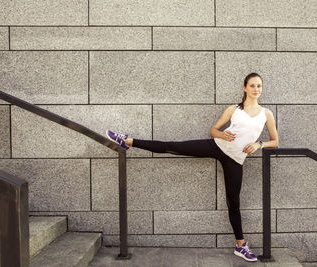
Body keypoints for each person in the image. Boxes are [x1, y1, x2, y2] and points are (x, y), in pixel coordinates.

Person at [106, 73, 279, 262]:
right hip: (216, 146)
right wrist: (221, 135)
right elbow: (213, 130)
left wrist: (259, 145)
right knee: (173, 146)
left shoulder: (266, 114)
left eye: (259, 86)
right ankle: (127, 141)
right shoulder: (233, 109)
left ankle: (240, 246)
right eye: (252, 86)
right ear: (245, 88)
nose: (256, 89)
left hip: (236, 160)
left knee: (234, 202)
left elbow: (275, 141)